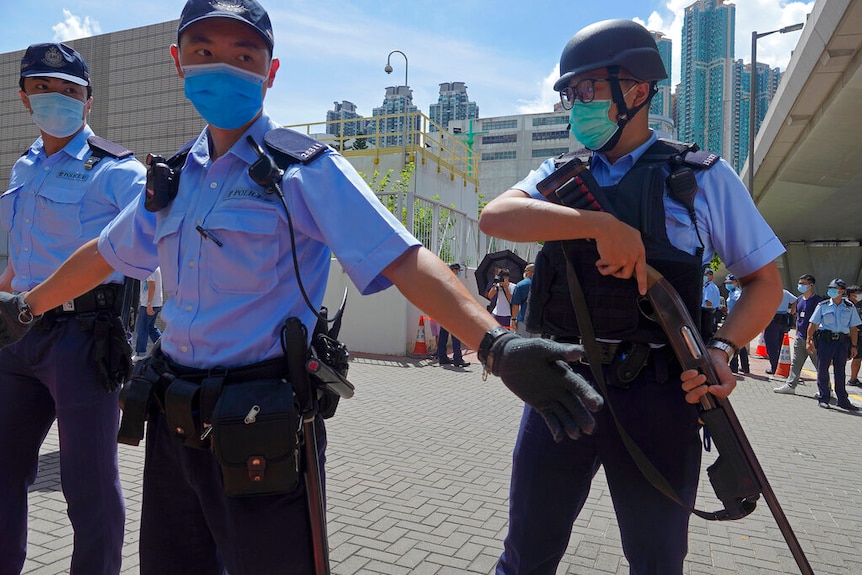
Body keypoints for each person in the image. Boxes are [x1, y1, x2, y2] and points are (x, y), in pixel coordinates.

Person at [0, 2, 604, 573]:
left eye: (244, 56)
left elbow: (403, 260)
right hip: (173, 422)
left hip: (260, 425)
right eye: (204, 50)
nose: (223, 67)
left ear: (271, 72)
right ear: (177, 61)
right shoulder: (172, 179)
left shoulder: (304, 171)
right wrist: (26, 307)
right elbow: (102, 254)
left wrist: (493, 344)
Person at [478, 19, 784, 575]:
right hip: (563, 384)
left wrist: (720, 350)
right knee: (526, 553)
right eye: (570, 93)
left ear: (639, 90)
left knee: (657, 559)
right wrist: (596, 225)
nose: (576, 104)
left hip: (661, 393)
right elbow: (496, 216)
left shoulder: (699, 177)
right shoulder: (559, 177)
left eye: (589, 89)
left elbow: (765, 281)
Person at [0, 43, 145, 575]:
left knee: (88, 483)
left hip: (82, 338)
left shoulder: (116, 171)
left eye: (70, 90)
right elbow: (22, 255)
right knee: (4, 469)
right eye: (43, 88)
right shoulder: (24, 166)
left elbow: (153, 247)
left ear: (88, 101)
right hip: (18, 337)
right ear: (24, 97)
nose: (56, 97)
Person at [807, 278, 860, 411]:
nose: (830, 291)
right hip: (826, 341)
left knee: (840, 371)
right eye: (830, 288)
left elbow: (853, 328)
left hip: (842, 343)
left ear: (842, 291)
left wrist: (854, 346)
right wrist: (809, 340)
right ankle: (824, 397)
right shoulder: (823, 305)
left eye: (834, 289)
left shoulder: (849, 307)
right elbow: (813, 324)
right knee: (823, 369)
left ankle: (842, 400)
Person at [774, 274, 821, 394]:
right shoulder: (799, 300)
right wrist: (797, 333)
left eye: (803, 283)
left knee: (819, 365)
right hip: (800, 338)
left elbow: (819, 321)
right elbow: (798, 319)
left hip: (812, 339)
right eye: (800, 283)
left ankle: (825, 389)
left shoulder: (817, 301)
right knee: (796, 363)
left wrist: (813, 338)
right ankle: (790, 385)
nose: (800, 286)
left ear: (811, 285)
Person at [437, 263, 470, 367]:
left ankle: (442, 357)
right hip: (452, 312)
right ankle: (458, 359)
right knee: (456, 336)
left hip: (444, 311)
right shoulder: (451, 281)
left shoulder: (443, 280)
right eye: (458, 271)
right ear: (453, 270)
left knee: (443, 335)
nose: (458, 273)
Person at [132, 267, 163, 361]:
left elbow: (152, 286)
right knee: (150, 328)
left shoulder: (149, 269)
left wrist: (149, 304)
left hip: (149, 304)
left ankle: (140, 354)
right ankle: (164, 348)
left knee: (142, 328)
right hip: (155, 303)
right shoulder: (155, 267)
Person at [764, 288, 797, 374]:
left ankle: (774, 368)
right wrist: (791, 314)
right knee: (780, 345)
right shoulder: (784, 292)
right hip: (783, 321)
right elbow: (795, 301)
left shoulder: (767, 292)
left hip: (772, 321)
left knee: (771, 346)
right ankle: (779, 367)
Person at [724, 274, 749, 374]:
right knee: (740, 345)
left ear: (736, 283)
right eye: (727, 283)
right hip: (733, 319)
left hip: (736, 321)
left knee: (733, 344)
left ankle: (734, 367)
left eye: (730, 283)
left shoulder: (737, 293)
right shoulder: (731, 293)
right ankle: (745, 367)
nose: (728, 285)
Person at [510, 263, 535, 337]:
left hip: (523, 320)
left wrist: (513, 320)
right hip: (538, 322)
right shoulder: (544, 285)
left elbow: (515, 305)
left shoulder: (520, 285)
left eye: (526, 270)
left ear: (529, 272)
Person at [847, 284, 862, 387]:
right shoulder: (846, 306)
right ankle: (821, 370)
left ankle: (853, 379)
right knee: (844, 357)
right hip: (848, 336)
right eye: (858, 293)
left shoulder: (860, 305)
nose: (860, 295)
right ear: (851, 295)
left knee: (858, 357)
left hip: (859, 336)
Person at [701, 268, 720, 341]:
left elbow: (708, 303)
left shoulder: (709, 287)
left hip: (709, 313)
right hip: (713, 312)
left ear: (711, 276)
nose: (704, 276)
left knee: (707, 335)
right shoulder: (712, 286)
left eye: (706, 275)